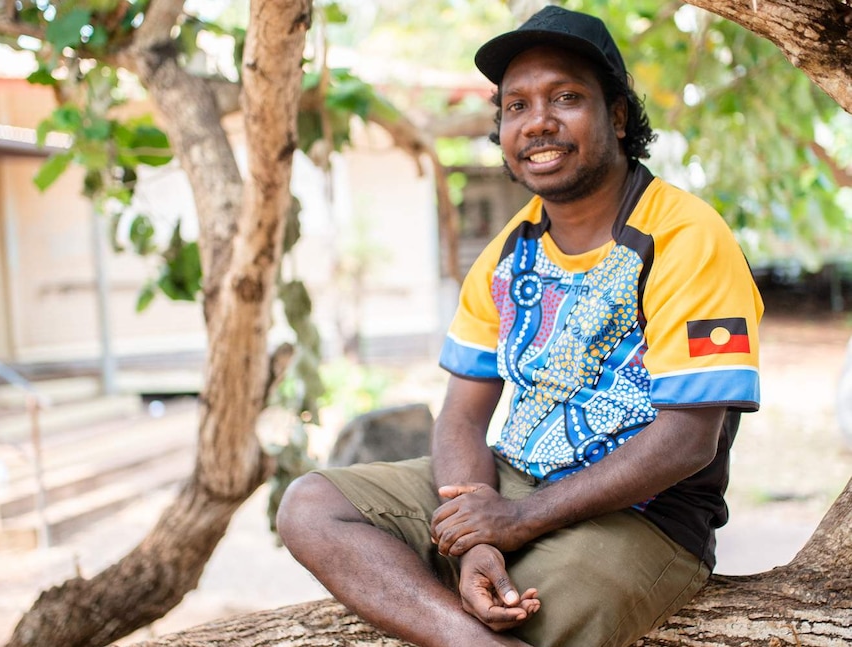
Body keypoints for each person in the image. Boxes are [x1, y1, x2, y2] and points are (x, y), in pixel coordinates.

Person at [278, 6, 763, 647]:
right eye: (516, 106)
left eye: (566, 97)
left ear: (617, 116)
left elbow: (687, 441)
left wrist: (516, 521)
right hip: (510, 481)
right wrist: (474, 534)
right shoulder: (509, 251)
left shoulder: (686, 236)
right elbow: (460, 417)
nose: (538, 122)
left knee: (532, 617)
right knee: (310, 506)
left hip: (643, 518)